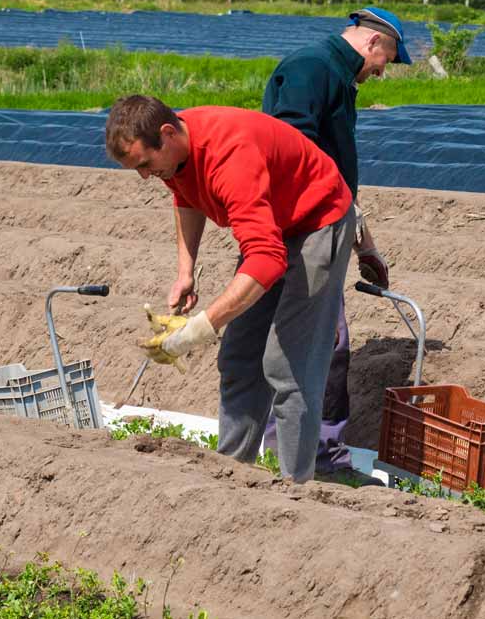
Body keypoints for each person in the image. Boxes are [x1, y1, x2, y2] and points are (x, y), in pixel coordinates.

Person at [105, 95, 355, 483]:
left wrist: (201, 328)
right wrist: (185, 271)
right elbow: (183, 194)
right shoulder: (176, 150)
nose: (143, 175)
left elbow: (267, 259)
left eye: (144, 164)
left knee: (288, 364)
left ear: (167, 134)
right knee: (239, 358)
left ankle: (296, 486)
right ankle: (231, 474)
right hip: (274, 226)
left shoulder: (230, 156)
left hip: (317, 222)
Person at [261, 7, 412, 476]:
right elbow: (292, 157)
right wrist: (327, 233)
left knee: (315, 343)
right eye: (384, 60)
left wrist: (363, 241)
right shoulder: (312, 69)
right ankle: (316, 456)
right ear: (372, 44)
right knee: (323, 344)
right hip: (304, 234)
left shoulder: (336, 77)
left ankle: (293, 449)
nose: (381, 72)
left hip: (323, 229)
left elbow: (333, 175)